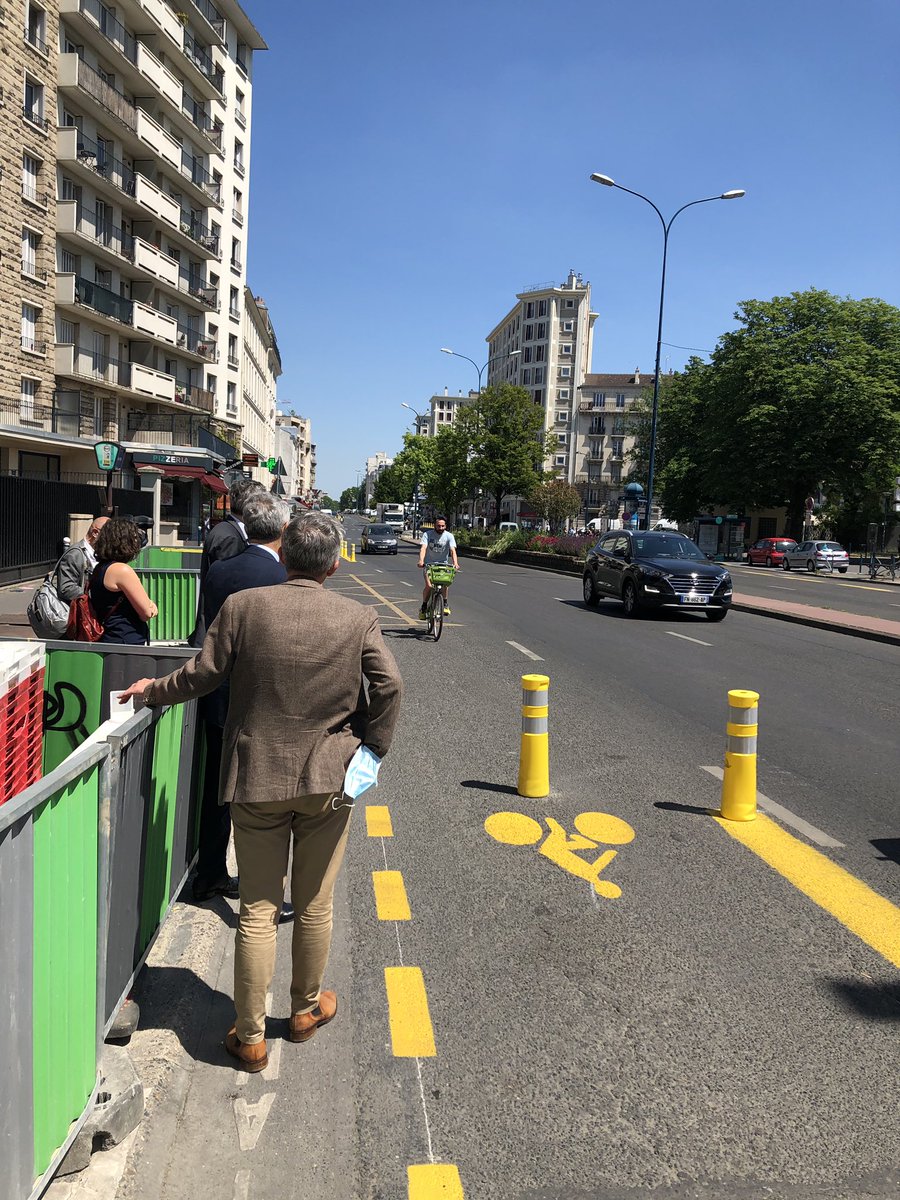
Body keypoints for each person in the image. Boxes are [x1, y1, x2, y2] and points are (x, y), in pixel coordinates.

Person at [118, 512, 402, 1072]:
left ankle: (249, 1037)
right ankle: (303, 1011)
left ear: (285, 556)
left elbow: (201, 675)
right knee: (315, 903)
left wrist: (152, 690)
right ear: (334, 564)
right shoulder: (357, 617)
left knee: (256, 909)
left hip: (256, 778)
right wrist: (370, 752)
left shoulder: (245, 607)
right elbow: (389, 685)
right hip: (329, 780)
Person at [192, 493, 290, 905]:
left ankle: (210, 874)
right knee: (265, 797)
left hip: (219, 694)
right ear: (283, 530)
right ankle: (261, 887)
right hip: (266, 703)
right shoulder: (284, 578)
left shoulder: (220, 573)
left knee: (217, 788)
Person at [190, 478, 266, 646]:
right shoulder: (229, 536)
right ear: (251, 506)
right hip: (219, 635)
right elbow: (228, 587)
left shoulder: (228, 530)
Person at [90, 519, 157, 645]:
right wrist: (152, 606)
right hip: (125, 640)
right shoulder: (122, 570)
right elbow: (146, 613)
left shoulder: (100, 568)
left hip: (107, 637)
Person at [56, 516, 109, 603]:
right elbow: (66, 588)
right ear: (95, 533)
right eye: (109, 536)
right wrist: (94, 593)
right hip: (81, 611)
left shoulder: (101, 553)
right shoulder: (75, 554)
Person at [418, 515, 459, 619]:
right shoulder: (427, 534)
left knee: (445, 584)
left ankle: (445, 603)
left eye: (442, 526)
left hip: (443, 565)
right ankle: (423, 606)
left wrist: (455, 563)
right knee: (429, 586)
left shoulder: (449, 536)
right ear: (434, 525)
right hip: (429, 565)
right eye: (438, 526)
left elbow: (453, 550)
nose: (440, 528)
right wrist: (421, 560)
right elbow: (423, 548)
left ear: (445, 526)